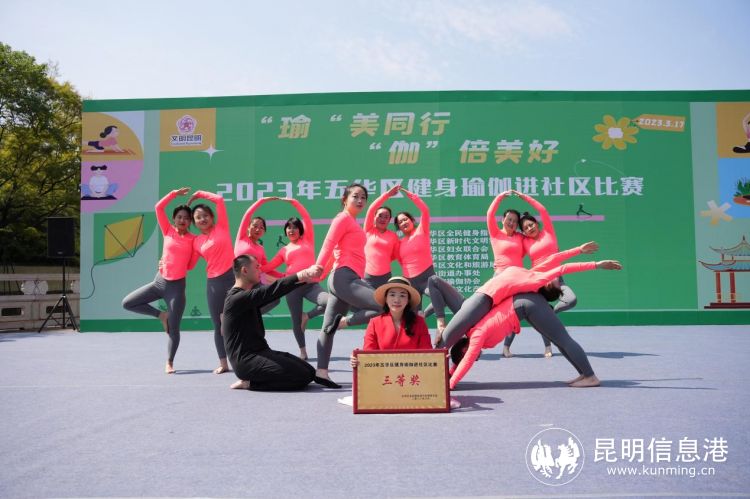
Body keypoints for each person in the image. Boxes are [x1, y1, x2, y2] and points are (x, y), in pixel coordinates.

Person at [448, 263, 620, 390]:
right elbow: (462, 358)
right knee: (559, 341)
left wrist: (450, 385)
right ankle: (584, 374)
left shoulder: (476, 336)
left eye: (468, 353)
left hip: (529, 305)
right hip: (526, 305)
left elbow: (467, 359)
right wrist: (450, 372)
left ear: (464, 347)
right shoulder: (473, 333)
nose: (476, 357)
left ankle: (590, 376)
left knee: (563, 339)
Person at [435, 242, 601, 349]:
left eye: (556, 283)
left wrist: (596, 265)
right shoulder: (531, 273)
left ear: (548, 286)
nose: (556, 279)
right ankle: (441, 325)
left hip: (482, 302)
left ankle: (436, 380)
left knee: (443, 343)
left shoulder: (536, 281)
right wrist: (579, 250)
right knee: (434, 281)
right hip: (475, 299)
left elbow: (563, 268)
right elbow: (555, 259)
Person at [223, 255, 329, 391]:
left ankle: (254, 380)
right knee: (301, 376)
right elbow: (272, 290)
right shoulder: (236, 298)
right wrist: (303, 274)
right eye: (257, 267)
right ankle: (250, 383)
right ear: (244, 270)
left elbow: (276, 291)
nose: (260, 270)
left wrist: (304, 280)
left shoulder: (247, 296)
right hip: (246, 362)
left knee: (309, 370)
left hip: (261, 352)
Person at [122, 188, 198, 374]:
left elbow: (190, 266)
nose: (182, 220)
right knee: (128, 303)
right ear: (174, 219)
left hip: (176, 288)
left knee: (174, 328)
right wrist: (174, 194)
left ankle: (170, 362)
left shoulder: (194, 240)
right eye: (179, 217)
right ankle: (161, 315)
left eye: (186, 218)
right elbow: (158, 207)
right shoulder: (168, 231)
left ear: (190, 221)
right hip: (159, 282)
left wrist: (175, 261)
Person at [314, 183, 382, 387]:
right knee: (384, 305)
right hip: (345, 278)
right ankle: (345, 322)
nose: (360, 200)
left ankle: (321, 373)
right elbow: (328, 243)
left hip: (340, 278)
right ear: (345, 199)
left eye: (363, 197)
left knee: (328, 328)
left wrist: (322, 273)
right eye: (355, 196)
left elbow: (335, 253)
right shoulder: (342, 218)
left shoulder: (352, 221)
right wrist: (317, 268)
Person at [504, 190, 573, 358]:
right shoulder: (525, 241)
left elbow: (542, 209)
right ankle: (508, 347)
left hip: (557, 279)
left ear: (537, 223)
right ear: (524, 232)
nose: (530, 228)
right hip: (538, 282)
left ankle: (550, 313)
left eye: (531, 224)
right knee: (517, 314)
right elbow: (511, 250)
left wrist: (524, 197)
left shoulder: (548, 232)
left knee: (571, 299)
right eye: (526, 228)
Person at [265, 198, 331, 359]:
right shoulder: (284, 250)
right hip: (292, 288)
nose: (291, 230)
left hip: (311, 285)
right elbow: (269, 267)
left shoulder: (307, 240)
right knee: (296, 322)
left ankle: (307, 316)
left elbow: (306, 218)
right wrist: (280, 275)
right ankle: (303, 352)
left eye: (295, 227)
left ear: (300, 230)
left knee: (330, 302)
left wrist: (294, 203)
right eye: (288, 227)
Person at [189, 190, 236, 374]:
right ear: (194, 222)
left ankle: (243, 358)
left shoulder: (221, 226)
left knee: (238, 321)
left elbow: (219, 199)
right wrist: (165, 262)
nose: (202, 219)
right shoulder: (196, 241)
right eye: (198, 217)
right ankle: (223, 363)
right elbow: (189, 264)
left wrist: (199, 195)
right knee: (219, 325)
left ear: (212, 217)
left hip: (233, 279)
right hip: (214, 284)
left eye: (205, 215)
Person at [349, 276, 431, 369]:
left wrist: (439, 358)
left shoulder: (419, 322)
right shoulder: (374, 323)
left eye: (402, 295)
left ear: (408, 300)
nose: (397, 300)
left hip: (412, 375)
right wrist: (358, 359)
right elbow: (368, 355)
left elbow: (427, 354)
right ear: (386, 299)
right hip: (383, 375)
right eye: (392, 295)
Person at [362, 185, 401, 289]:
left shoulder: (393, 236)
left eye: (386, 217)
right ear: (374, 217)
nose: (383, 219)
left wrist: (383, 259)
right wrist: (387, 195)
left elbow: (395, 255)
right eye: (380, 216)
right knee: (366, 299)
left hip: (385, 277)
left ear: (389, 220)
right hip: (367, 277)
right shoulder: (368, 230)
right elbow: (371, 209)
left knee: (383, 300)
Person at [486, 190, 524, 273]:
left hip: (518, 276)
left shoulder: (520, 237)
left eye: (515, 221)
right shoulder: (495, 233)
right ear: (503, 220)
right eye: (509, 219)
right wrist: (499, 198)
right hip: (501, 275)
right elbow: (490, 214)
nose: (511, 223)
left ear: (517, 225)